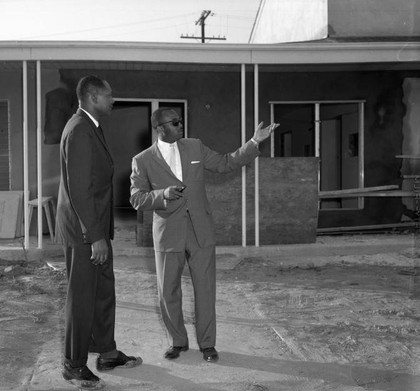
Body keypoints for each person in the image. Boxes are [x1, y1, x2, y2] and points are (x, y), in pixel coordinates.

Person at [129, 108, 278, 363]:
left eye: (181, 121)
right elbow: (136, 198)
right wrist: (162, 195)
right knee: (168, 292)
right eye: (175, 123)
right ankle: (178, 342)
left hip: (201, 230)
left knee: (206, 290)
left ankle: (208, 345)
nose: (181, 125)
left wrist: (253, 142)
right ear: (160, 128)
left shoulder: (195, 147)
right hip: (168, 233)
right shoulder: (142, 160)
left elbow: (226, 162)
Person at [55, 75, 142, 390]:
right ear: (92, 97)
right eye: (109, 95)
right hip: (84, 234)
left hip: (94, 229)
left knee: (103, 292)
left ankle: (106, 352)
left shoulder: (90, 126)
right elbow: (80, 190)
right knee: (82, 298)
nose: (113, 99)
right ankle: (73, 365)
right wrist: (96, 236)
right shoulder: (79, 130)